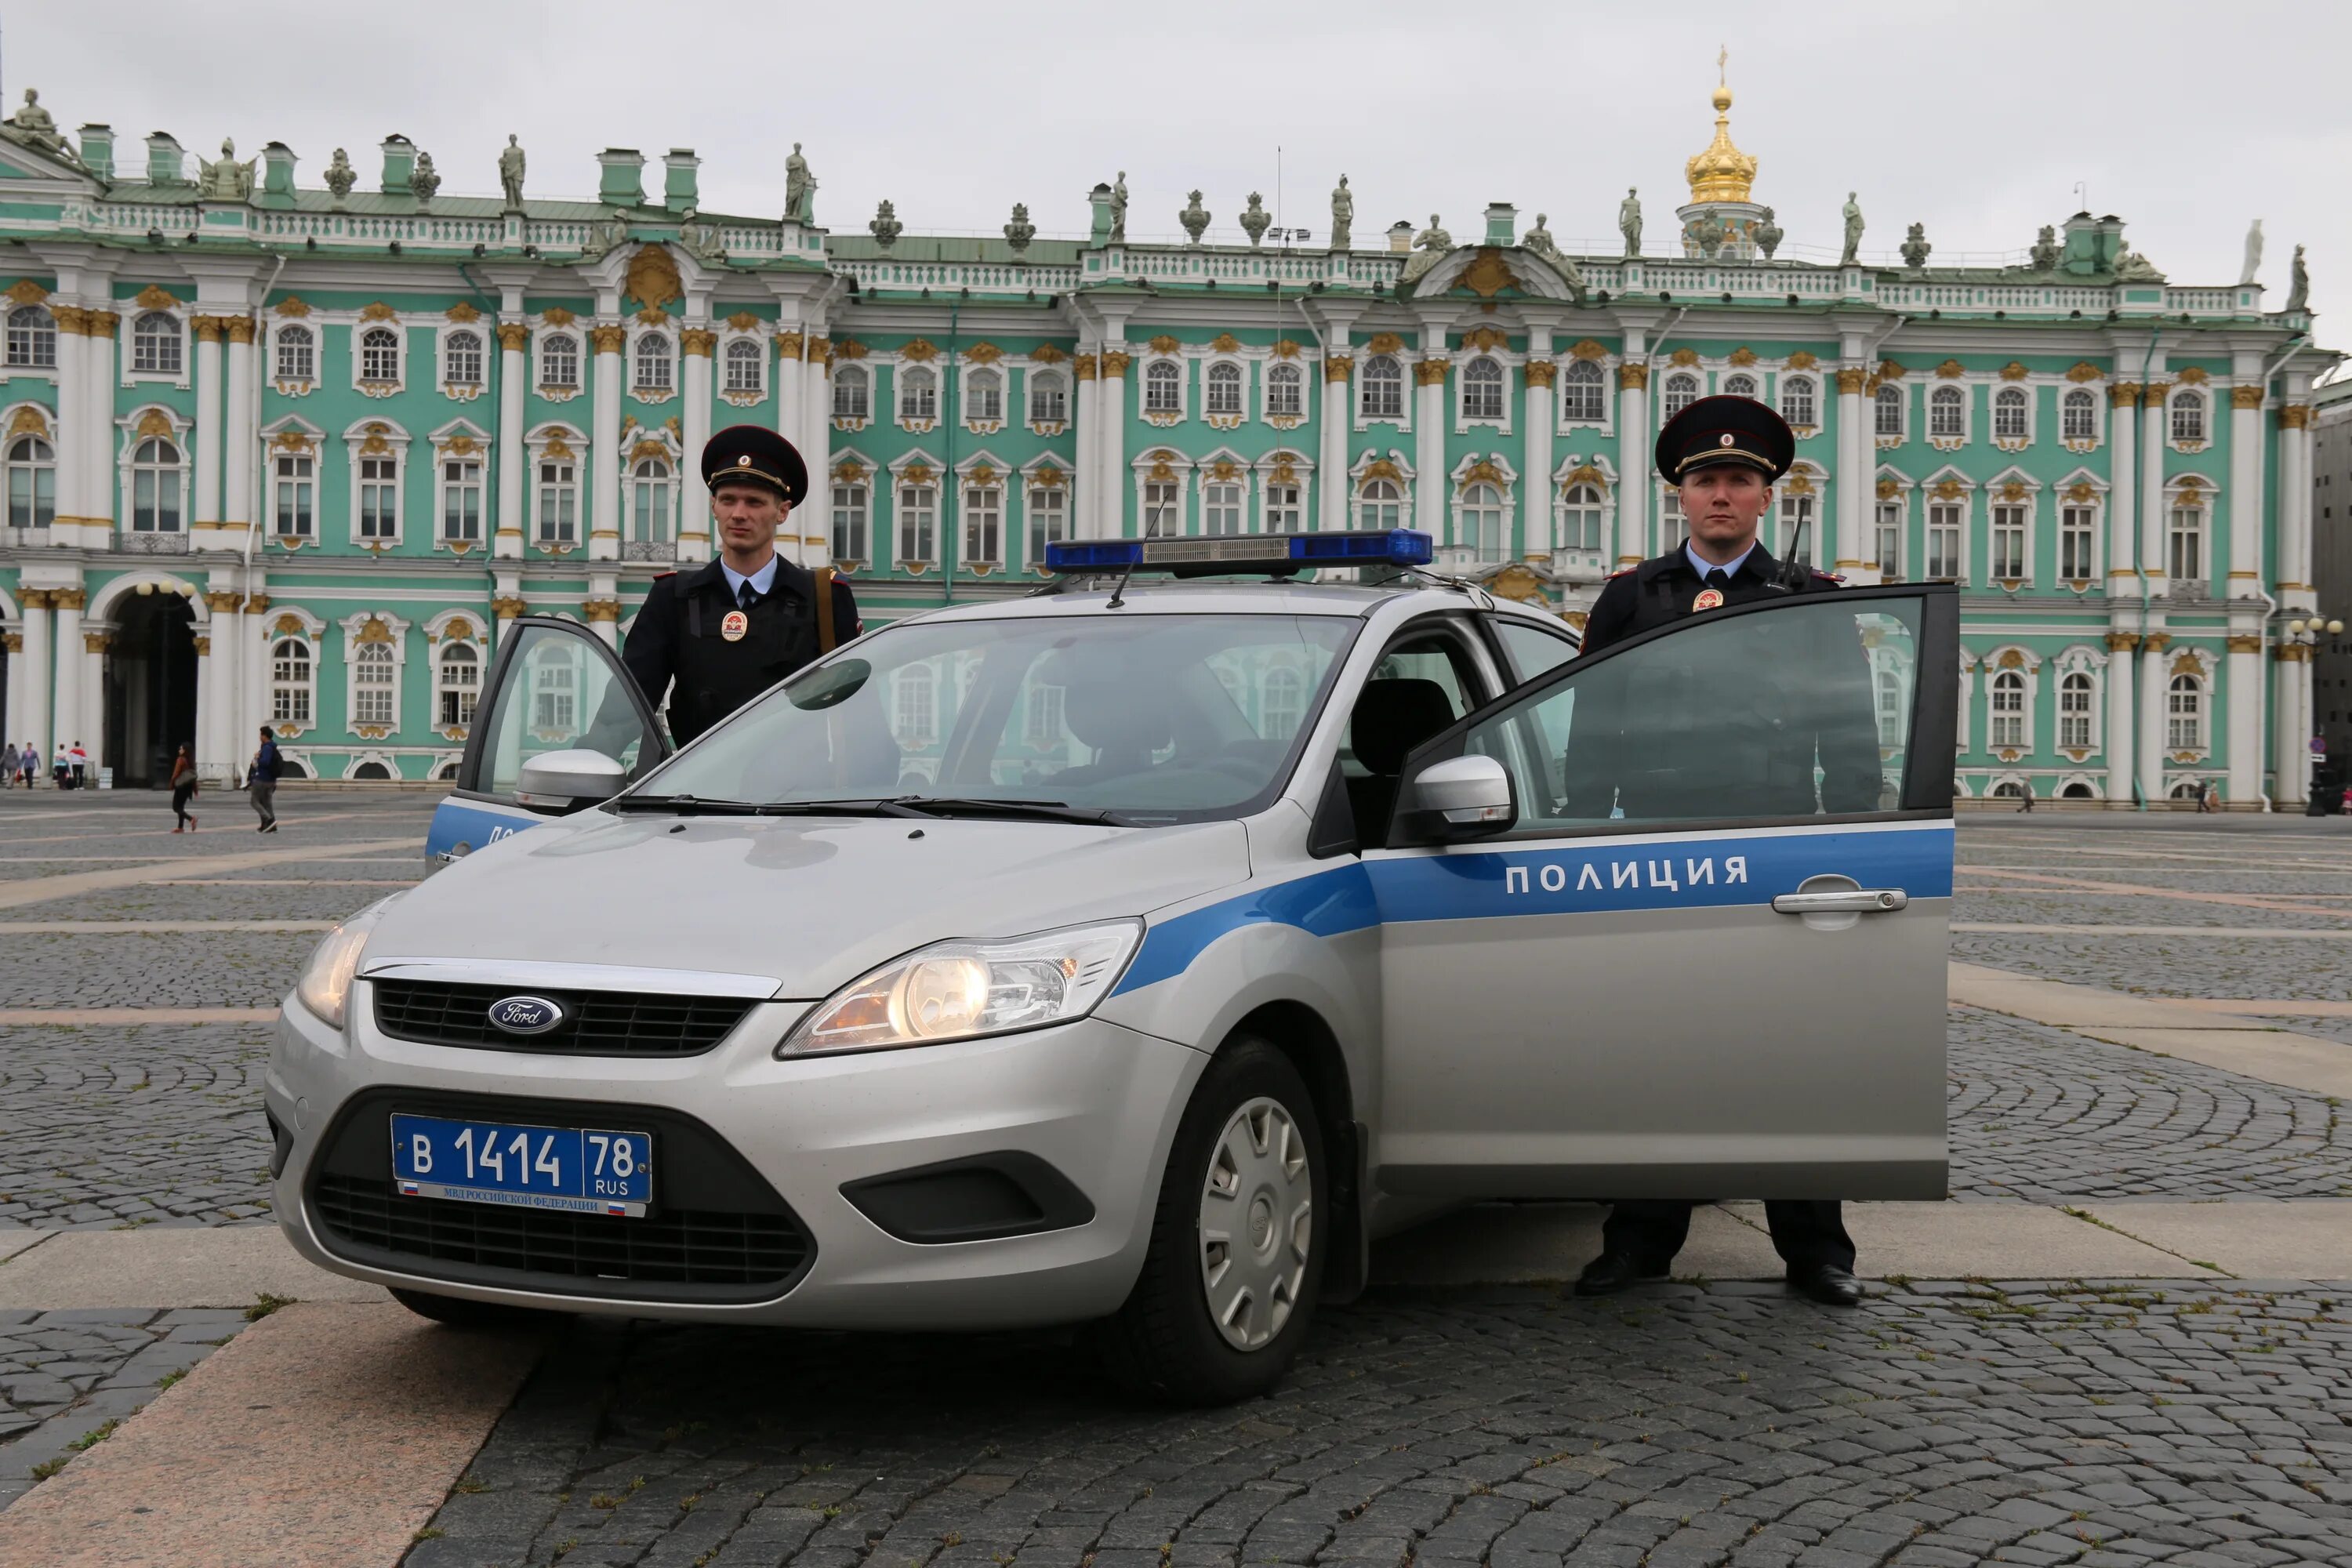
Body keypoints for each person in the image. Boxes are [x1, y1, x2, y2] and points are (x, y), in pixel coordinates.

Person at [1571, 391, 1872, 1309]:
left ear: (1766, 495)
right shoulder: (1630, 600)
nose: (1722, 495)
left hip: (1780, 852)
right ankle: (1640, 1242)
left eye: (1740, 479)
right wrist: (1585, 841)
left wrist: (1858, 852)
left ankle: (1817, 1248)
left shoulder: (1811, 601)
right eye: (1707, 479)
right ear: (1681, 493)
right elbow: (1594, 732)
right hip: (1658, 851)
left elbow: (1850, 739)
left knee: (1790, 1054)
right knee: (1657, 1051)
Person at [615, 424, 861, 748]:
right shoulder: (672, 598)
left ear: (782, 511)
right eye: (728, 500)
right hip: (695, 790)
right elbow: (620, 717)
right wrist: (576, 779)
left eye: (754, 502)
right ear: (714, 507)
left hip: (794, 792)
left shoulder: (825, 599)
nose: (738, 514)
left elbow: (860, 716)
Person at [249, 725, 281, 832]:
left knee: (254, 801)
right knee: (267, 803)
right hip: (271, 780)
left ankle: (269, 819)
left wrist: (258, 759)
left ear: (264, 736)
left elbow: (265, 762)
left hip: (263, 779)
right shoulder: (272, 747)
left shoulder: (267, 748)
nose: (260, 737)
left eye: (261, 735)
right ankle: (272, 826)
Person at [168, 744, 198, 832]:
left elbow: (176, 774)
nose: (179, 750)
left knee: (176, 807)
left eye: (181, 748)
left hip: (181, 786)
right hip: (188, 787)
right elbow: (193, 777)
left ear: (185, 750)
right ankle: (180, 827)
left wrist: (171, 784)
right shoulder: (191, 762)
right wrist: (195, 789)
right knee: (181, 807)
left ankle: (191, 819)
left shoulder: (180, 760)